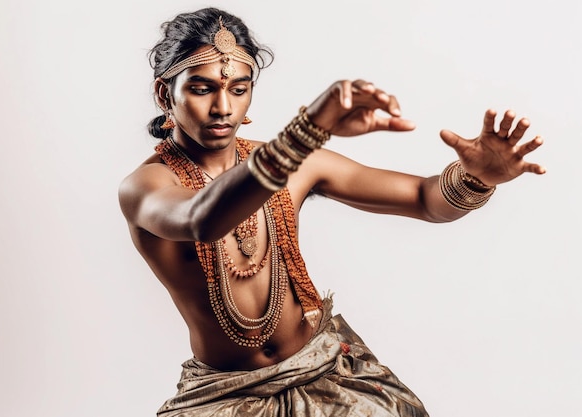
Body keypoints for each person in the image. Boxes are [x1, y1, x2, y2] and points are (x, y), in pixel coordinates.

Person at [118, 7, 546, 417]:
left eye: (238, 88)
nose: (223, 108)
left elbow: (424, 199)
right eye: (201, 88)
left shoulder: (293, 162)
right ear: (164, 94)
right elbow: (202, 220)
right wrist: (307, 131)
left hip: (328, 373)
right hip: (226, 396)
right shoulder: (147, 186)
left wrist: (478, 177)